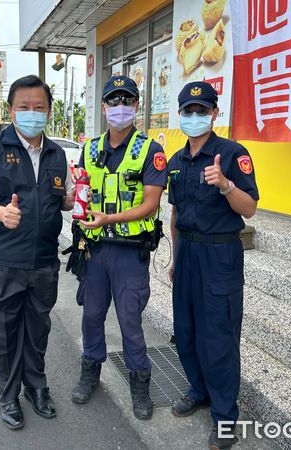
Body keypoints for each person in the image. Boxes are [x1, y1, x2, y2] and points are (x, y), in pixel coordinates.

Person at [0, 75, 74, 431]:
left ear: (49, 112)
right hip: (2, 262)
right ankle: (8, 395)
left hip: (43, 262)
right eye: (24, 107)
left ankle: (35, 387)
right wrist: (0, 213)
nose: (32, 113)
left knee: (38, 329)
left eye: (39, 108)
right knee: (5, 333)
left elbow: (66, 199)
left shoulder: (57, 154)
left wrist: (73, 199)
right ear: (11, 110)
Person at [167, 81, 259, 449]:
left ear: (215, 113)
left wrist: (224, 184)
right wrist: (175, 257)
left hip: (220, 256)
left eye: (201, 110)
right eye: (188, 111)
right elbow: (174, 214)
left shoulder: (233, 154)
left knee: (218, 338)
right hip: (187, 253)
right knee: (186, 330)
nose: (194, 117)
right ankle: (198, 390)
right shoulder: (176, 161)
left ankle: (225, 419)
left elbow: (249, 208)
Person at [70, 75, 167, 420]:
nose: (120, 107)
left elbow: (151, 205)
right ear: (103, 107)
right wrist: (71, 198)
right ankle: (90, 369)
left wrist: (108, 220)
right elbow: (80, 192)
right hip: (94, 251)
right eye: (114, 101)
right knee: (92, 316)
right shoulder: (90, 148)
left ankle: (140, 381)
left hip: (129, 252)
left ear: (137, 107)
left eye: (127, 101)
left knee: (130, 321)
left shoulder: (150, 151)